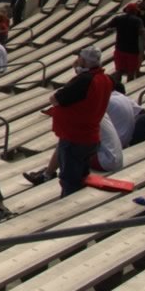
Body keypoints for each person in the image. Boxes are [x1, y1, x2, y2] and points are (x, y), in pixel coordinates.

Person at [50, 47, 116, 196]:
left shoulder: (85, 80)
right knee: (81, 177)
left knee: (69, 180)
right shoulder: (105, 79)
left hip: (75, 137)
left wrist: (78, 73)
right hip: (90, 136)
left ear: (84, 60)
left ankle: (68, 210)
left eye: (79, 57)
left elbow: (55, 99)